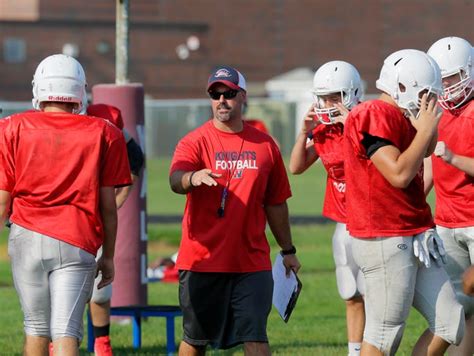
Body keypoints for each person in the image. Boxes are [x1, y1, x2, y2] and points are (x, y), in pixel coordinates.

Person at [0, 54, 131, 356]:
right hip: (77, 239)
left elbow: (3, 199)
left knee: (36, 326)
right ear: (79, 91)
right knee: (65, 331)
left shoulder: (12, 128)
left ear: (39, 89)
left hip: (26, 236)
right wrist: (108, 256)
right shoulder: (104, 132)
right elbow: (108, 207)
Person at [169, 65, 301, 356]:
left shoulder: (265, 145)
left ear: (243, 96)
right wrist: (192, 178)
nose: (221, 100)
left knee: (255, 336)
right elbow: (175, 179)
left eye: (228, 93)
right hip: (202, 261)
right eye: (215, 94)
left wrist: (288, 250)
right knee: (194, 339)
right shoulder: (194, 141)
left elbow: (276, 202)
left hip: (251, 263)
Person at [343, 49, 464, 355]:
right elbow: (398, 173)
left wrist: (426, 128)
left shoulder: (401, 115)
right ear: (402, 87)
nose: (430, 102)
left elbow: (426, 150)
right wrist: (424, 129)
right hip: (383, 235)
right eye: (425, 94)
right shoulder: (371, 114)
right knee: (384, 333)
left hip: (415, 231)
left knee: (450, 321)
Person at [289, 60, 365, 356]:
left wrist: (354, 127)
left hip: (373, 221)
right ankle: (355, 352)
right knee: (350, 294)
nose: (328, 104)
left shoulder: (368, 122)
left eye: (335, 97)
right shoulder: (323, 132)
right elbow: (296, 167)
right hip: (343, 221)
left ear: (351, 94)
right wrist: (302, 133)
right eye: (324, 97)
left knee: (377, 296)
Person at [423, 36, 474, 356]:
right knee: (457, 307)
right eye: (442, 78)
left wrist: (453, 157)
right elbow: (429, 164)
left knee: (467, 293)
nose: (448, 85)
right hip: (447, 221)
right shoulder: (436, 113)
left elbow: (446, 156)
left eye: (453, 77)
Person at [85, 103, 145, 356]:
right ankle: (58, 343)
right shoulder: (40, 121)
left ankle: (102, 343)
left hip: (91, 216)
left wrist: (117, 199)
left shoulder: (102, 116)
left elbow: (135, 157)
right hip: (56, 215)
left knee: (99, 288)